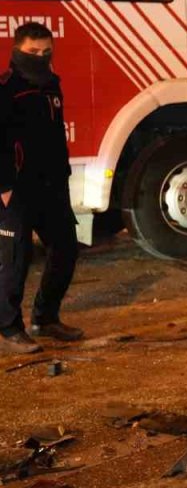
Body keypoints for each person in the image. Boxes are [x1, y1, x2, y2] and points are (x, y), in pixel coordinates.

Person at [0, 22, 84, 353]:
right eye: (34, 52)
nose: (41, 57)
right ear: (18, 51)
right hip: (15, 189)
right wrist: (4, 186)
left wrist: (63, 175)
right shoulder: (6, 88)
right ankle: (8, 329)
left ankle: (45, 318)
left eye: (47, 52)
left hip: (51, 185)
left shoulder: (51, 85)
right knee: (16, 259)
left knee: (65, 249)